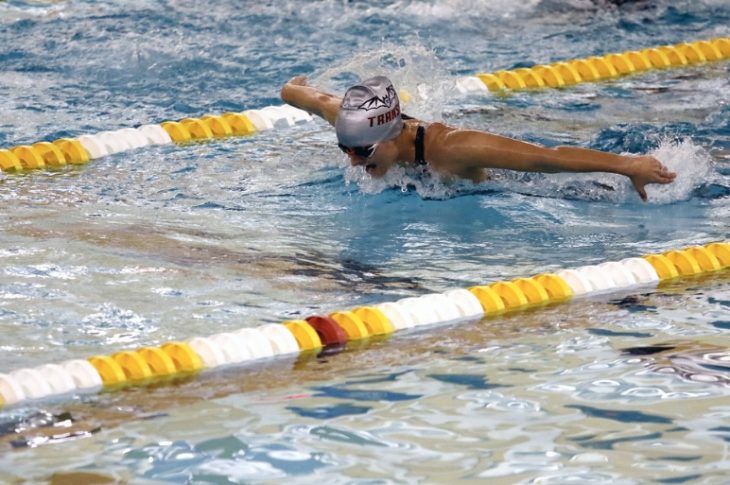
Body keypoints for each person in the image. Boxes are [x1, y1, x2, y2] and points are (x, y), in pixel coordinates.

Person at [280, 75, 676, 201]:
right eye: (344, 148)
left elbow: (545, 158)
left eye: (362, 152)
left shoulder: (453, 149)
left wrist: (629, 166)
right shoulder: (352, 123)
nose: (352, 161)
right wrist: (291, 90)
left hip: (518, 187)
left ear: (390, 134)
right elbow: (310, 97)